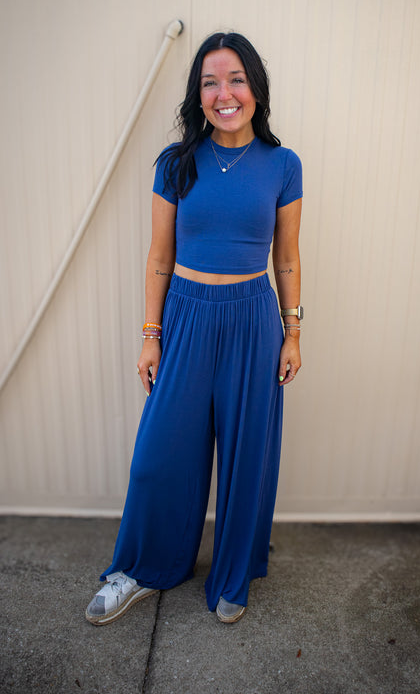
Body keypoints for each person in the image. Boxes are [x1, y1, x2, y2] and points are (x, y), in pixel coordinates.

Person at [85, 31, 303, 626]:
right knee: (160, 454)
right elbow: (159, 258)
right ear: (197, 95)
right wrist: (151, 334)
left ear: (255, 88)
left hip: (253, 320)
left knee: (245, 453)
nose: (223, 93)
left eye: (235, 79)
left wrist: (293, 331)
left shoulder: (283, 165)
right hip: (185, 316)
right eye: (210, 82)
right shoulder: (175, 163)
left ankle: (233, 574)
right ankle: (139, 568)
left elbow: (286, 257)